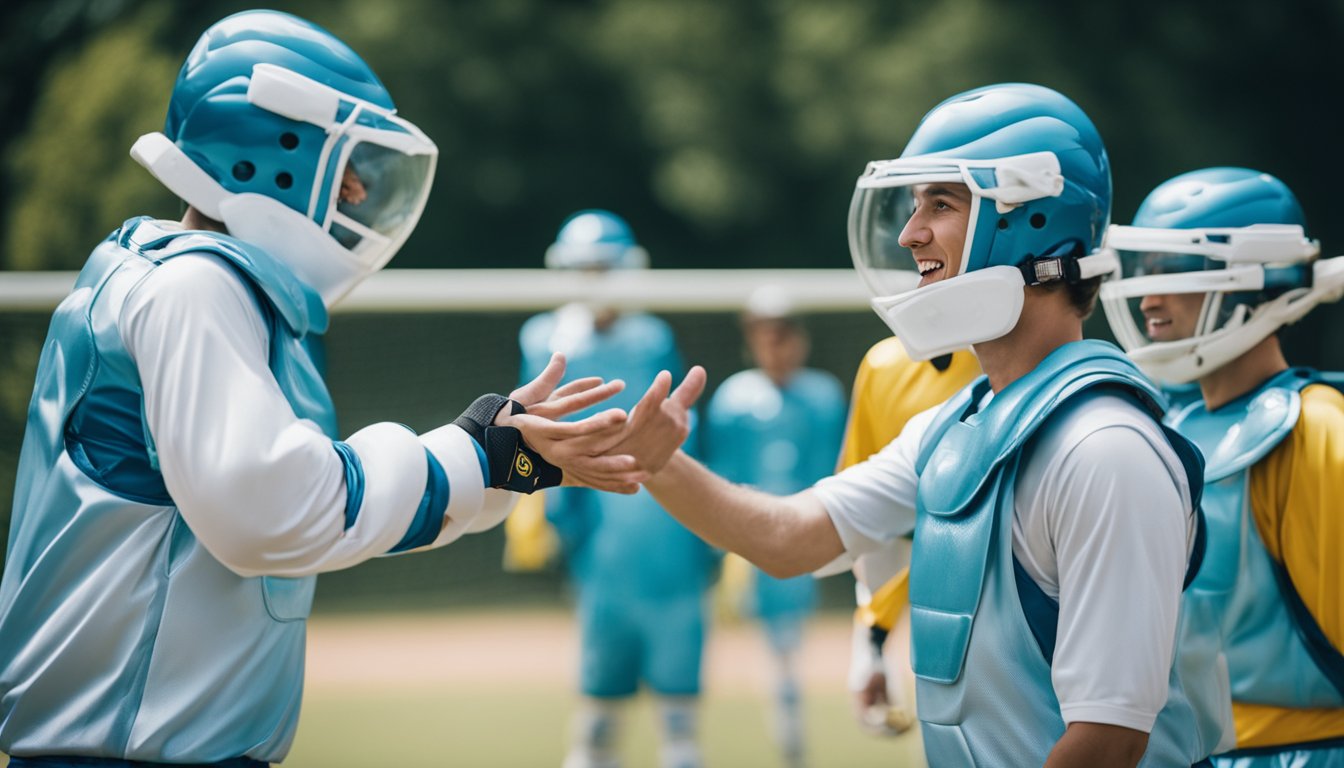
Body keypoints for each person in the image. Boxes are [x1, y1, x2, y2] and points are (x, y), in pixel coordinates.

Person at [0, 12, 640, 766]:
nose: (362, 190)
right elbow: (267, 509)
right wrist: (479, 455)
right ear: (273, 153)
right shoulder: (194, 287)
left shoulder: (188, 282)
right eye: (346, 168)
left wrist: (500, 457)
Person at [597, 83, 1228, 766]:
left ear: (1032, 219)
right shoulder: (954, 427)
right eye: (914, 203)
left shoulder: (1105, 450)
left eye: (942, 203)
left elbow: (1108, 740)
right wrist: (658, 464)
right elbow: (788, 540)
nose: (909, 232)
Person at [1100, 167, 1344, 767]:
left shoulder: (1313, 430)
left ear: (1253, 283)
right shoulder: (1167, 425)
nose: (1149, 298)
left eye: (1177, 272)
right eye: (1147, 271)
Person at [516, 210, 717, 768]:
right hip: (601, 546)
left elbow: (678, 440)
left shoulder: (651, 336)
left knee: (679, 720)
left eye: (606, 267)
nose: (597, 280)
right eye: (587, 268)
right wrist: (552, 512)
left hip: (664, 533)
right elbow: (536, 443)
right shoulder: (545, 337)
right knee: (597, 716)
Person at [703, 286, 847, 768]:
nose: (775, 346)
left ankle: (790, 738)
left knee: (787, 641)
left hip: (807, 532)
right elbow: (722, 474)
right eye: (764, 335)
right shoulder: (734, 399)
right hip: (747, 541)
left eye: (783, 334)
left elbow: (833, 468)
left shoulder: (822, 396)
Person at [836, 340, 978, 739]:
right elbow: (867, 518)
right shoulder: (883, 364)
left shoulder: (1027, 357)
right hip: (943, 637)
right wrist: (872, 644)